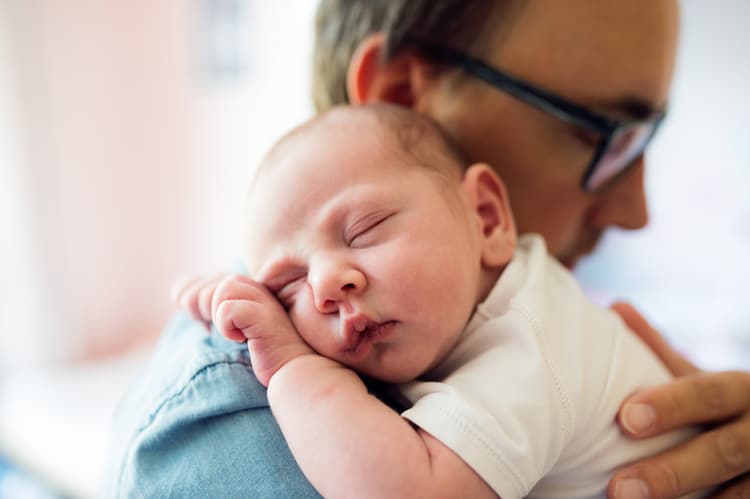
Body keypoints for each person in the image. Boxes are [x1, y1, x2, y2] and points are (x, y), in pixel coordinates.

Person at [106, 1, 750, 497]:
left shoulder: (529, 331)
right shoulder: (231, 418)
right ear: (405, 100)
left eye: (641, 140)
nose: (637, 212)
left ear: (488, 212)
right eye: (600, 134)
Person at [210, 103, 703, 498]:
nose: (323, 288)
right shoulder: (464, 303)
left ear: (486, 218)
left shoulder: (531, 343)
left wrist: (296, 369)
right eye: (287, 287)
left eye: (364, 230)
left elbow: (409, 491)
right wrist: (223, 301)